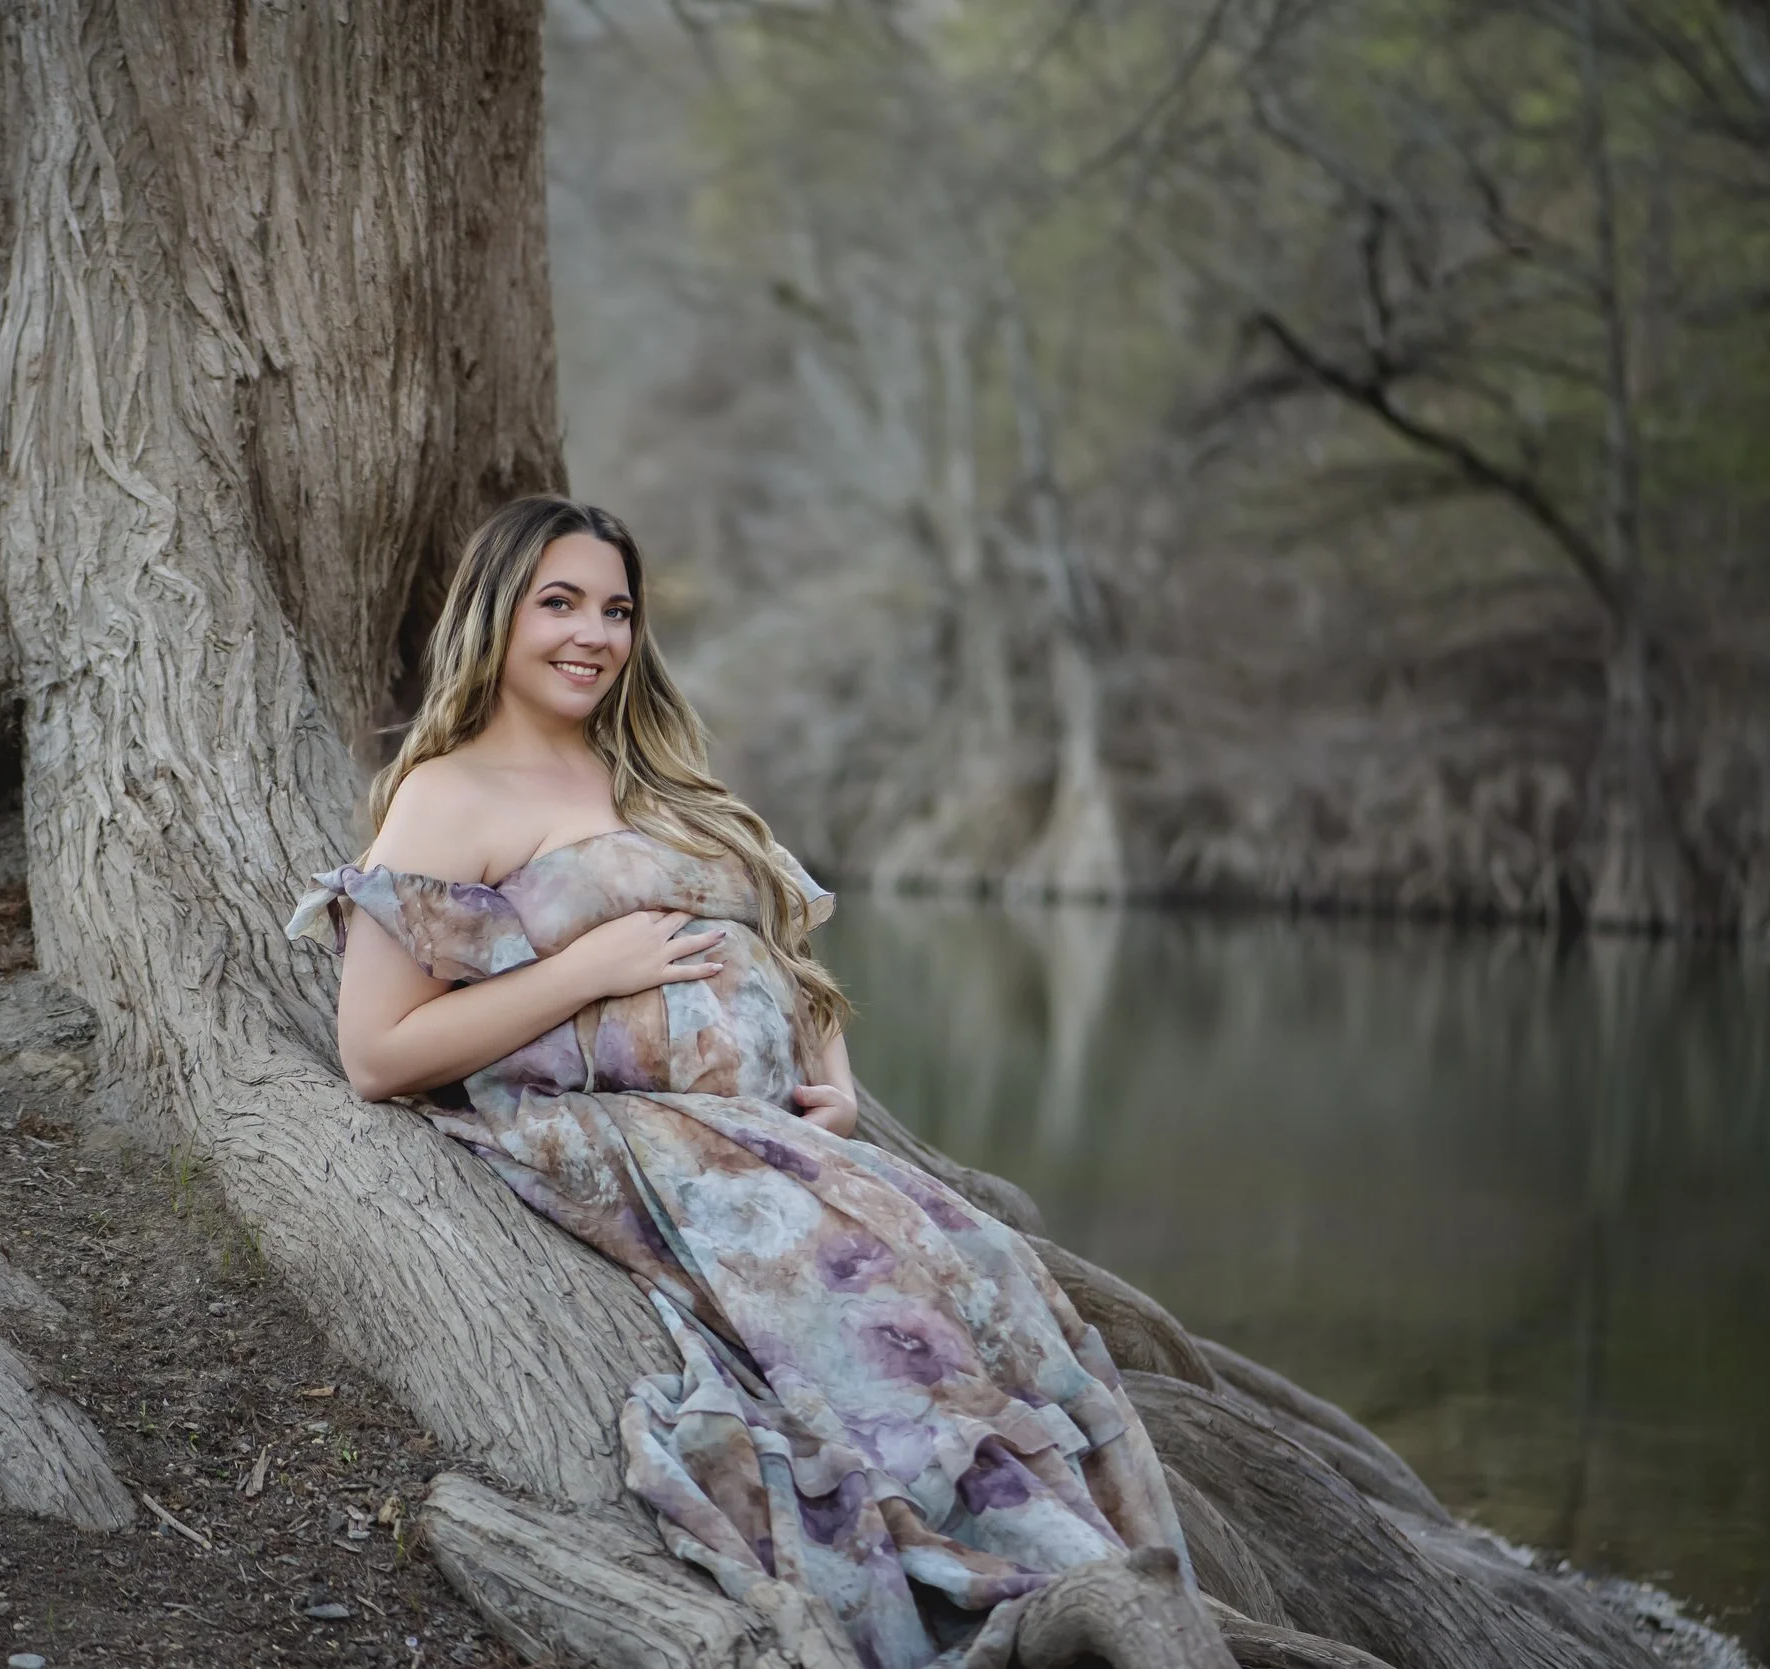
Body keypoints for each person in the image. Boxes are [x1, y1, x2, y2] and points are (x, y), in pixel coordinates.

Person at [288, 496, 1188, 1669]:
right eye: (559, 603)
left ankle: (1094, 1586)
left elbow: (784, 946)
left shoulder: (655, 774)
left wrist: (832, 1070)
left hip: (766, 1134)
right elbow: (377, 1053)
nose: (592, 634)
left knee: (990, 1277)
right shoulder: (450, 795)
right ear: (496, 612)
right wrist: (583, 969)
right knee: (868, 1330)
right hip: (627, 1138)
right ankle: (985, 1597)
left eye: (615, 609)